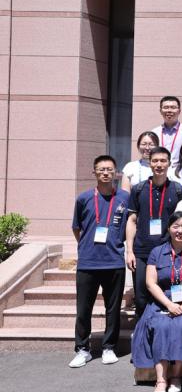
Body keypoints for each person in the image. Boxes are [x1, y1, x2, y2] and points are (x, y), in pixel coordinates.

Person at [131, 211, 182, 392]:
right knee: (161, 325)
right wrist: (169, 304)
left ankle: (176, 376)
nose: (180, 230)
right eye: (176, 226)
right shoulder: (156, 252)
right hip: (162, 300)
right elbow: (150, 283)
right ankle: (161, 380)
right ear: (168, 228)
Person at [69, 155, 130, 368]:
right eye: (101, 169)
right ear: (94, 172)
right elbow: (77, 228)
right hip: (88, 262)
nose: (105, 173)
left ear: (116, 173)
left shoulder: (124, 198)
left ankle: (109, 347)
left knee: (113, 308)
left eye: (109, 169)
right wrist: (86, 246)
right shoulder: (84, 198)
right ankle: (82, 349)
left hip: (114, 261)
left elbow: (130, 225)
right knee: (83, 308)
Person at [126, 147, 182, 318]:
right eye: (155, 161)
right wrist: (129, 251)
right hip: (142, 251)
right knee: (141, 297)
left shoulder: (177, 190)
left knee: (169, 293)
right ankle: (142, 330)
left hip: (169, 251)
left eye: (163, 161)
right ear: (149, 163)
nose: (159, 164)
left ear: (169, 163)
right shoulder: (138, 189)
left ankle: (166, 330)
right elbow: (132, 220)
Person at [151, 95, 182, 160]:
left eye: (173, 107)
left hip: (181, 166)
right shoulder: (155, 132)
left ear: (179, 111)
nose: (169, 110)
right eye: (166, 107)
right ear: (160, 111)